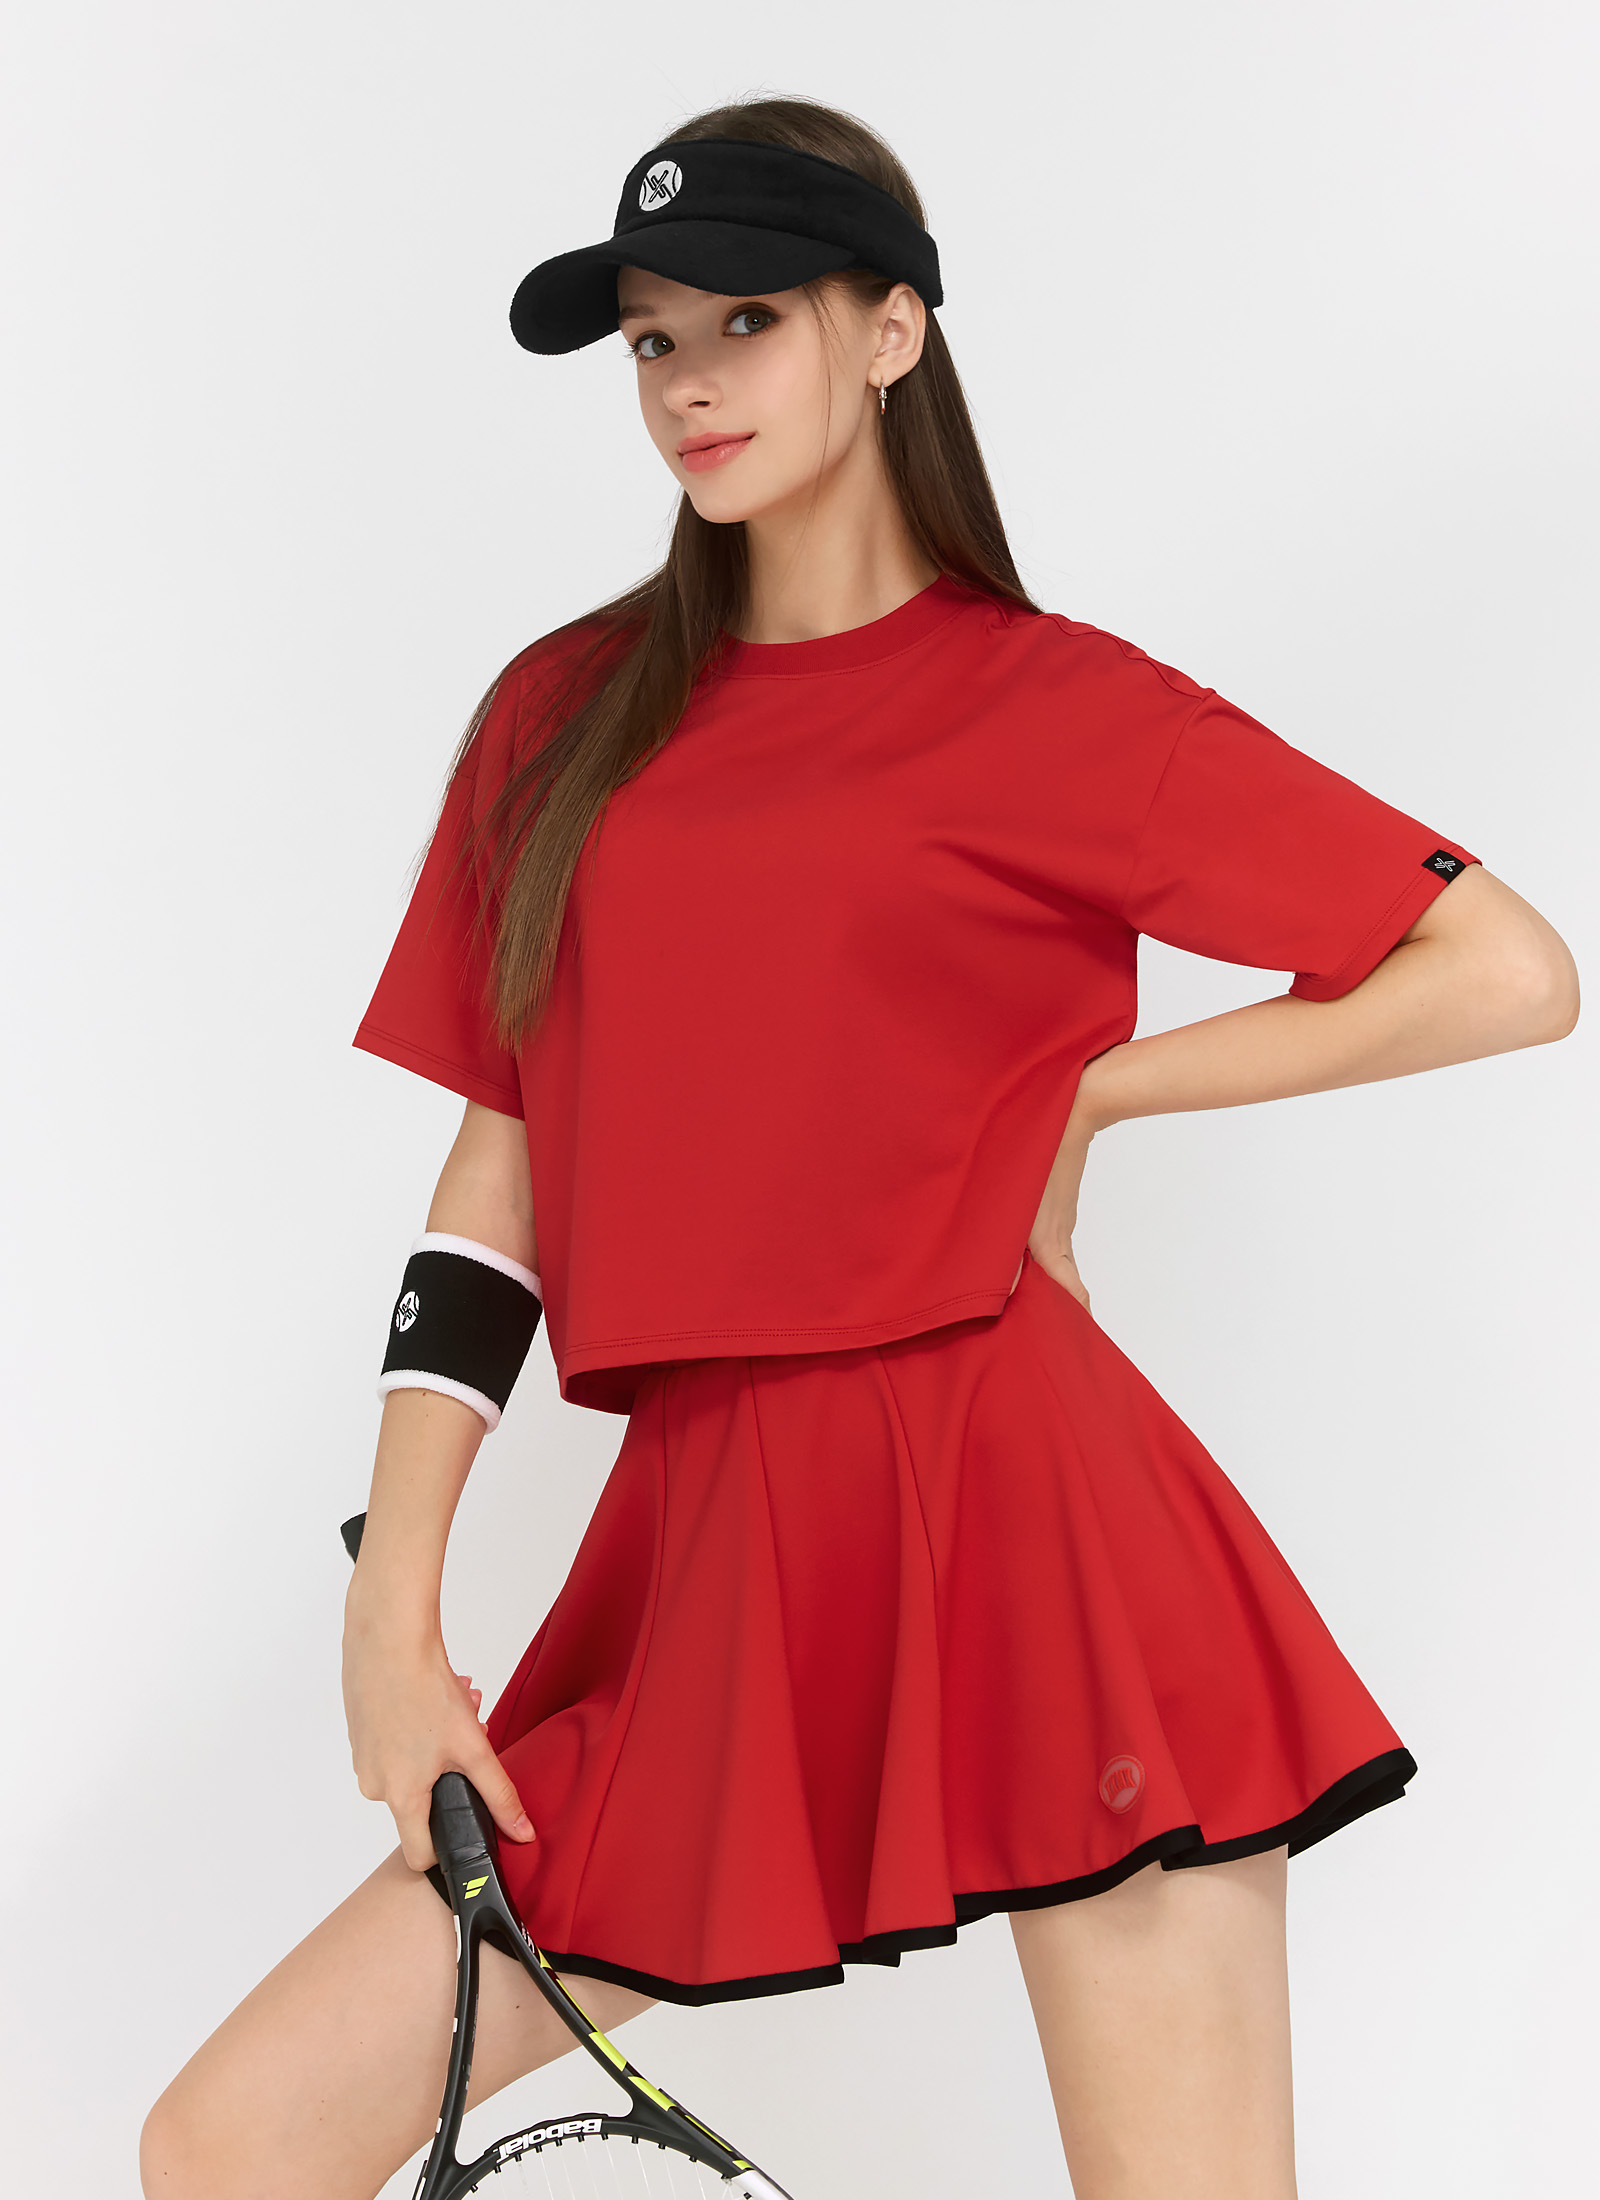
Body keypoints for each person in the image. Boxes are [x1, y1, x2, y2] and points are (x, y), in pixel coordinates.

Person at [141, 95, 1579, 2200]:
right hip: (709, 1548)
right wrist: (395, 1605)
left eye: (746, 318)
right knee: (227, 2143)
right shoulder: (563, 720)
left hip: (1042, 1531)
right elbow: (498, 1173)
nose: (687, 384)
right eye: (650, 339)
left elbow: (1504, 966)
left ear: (893, 329)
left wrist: (1089, 1092)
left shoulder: (1055, 708)